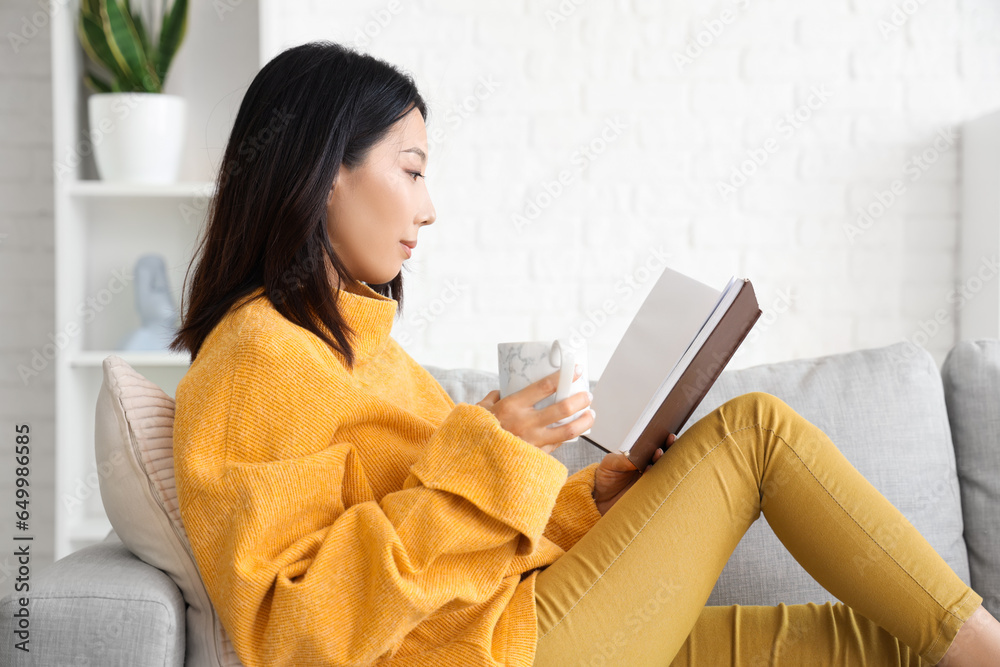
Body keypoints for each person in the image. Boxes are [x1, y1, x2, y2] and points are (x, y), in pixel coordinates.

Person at [168, 40, 1000, 666]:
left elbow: (472, 530)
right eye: (412, 170)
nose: (429, 208)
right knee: (755, 434)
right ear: (324, 174)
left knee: (870, 639)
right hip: (490, 648)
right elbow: (292, 629)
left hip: (531, 616)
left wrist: (588, 501)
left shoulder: (353, 345)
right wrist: (486, 451)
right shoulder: (255, 363)